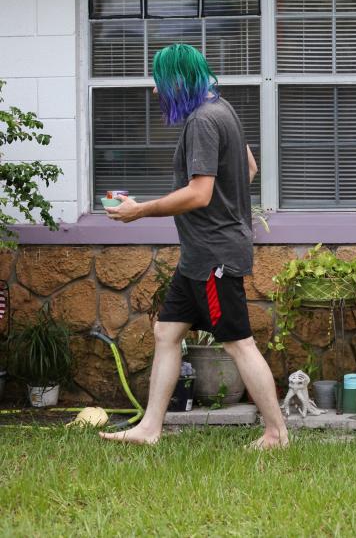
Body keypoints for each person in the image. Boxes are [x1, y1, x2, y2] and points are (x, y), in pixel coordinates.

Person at [100, 44, 288, 449]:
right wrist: (229, 203)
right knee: (166, 331)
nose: (156, 92)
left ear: (177, 81)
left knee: (238, 342)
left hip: (213, 257)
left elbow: (199, 193)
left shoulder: (203, 121)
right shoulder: (223, 109)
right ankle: (150, 428)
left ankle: (276, 432)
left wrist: (140, 211)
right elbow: (249, 169)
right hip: (200, 256)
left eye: (159, 83)